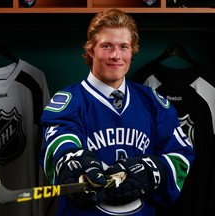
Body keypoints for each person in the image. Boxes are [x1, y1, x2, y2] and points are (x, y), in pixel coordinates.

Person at [39, 8, 194, 216]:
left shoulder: (154, 103)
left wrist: (153, 170)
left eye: (124, 47)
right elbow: (60, 141)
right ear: (91, 50)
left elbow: (181, 155)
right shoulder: (69, 101)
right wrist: (71, 161)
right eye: (106, 46)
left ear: (132, 51)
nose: (116, 55)